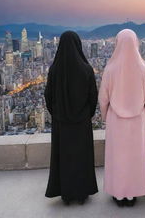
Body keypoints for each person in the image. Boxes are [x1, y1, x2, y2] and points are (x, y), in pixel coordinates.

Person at [99, 29, 145, 207]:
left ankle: (118, 194)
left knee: (118, 158)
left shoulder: (110, 69)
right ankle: (133, 195)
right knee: (135, 158)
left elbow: (103, 98)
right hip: (138, 121)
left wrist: (104, 116)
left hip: (115, 121)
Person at [44, 31, 98, 205]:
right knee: (82, 158)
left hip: (61, 124)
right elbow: (93, 97)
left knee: (64, 158)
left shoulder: (54, 70)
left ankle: (66, 194)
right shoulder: (87, 69)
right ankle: (82, 193)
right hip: (81, 123)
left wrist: (58, 114)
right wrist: (85, 115)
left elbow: (48, 96)